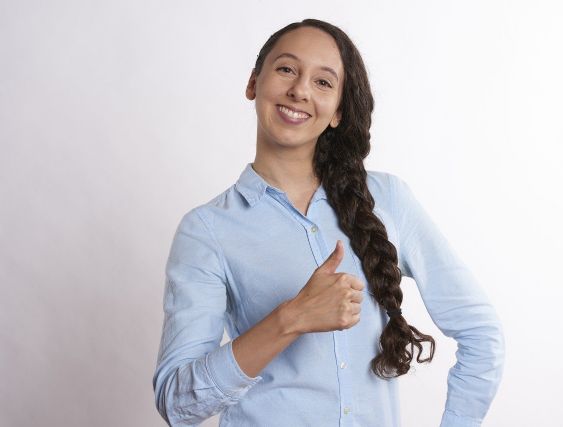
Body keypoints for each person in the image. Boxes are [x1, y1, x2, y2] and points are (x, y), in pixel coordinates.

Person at [152, 18, 505, 427]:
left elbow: (481, 333)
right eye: (287, 69)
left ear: (338, 111)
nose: (300, 90)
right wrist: (291, 319)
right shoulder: (207, 230)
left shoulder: (388, 199)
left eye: (323, 82)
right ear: (253, 83)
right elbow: (176, 403)